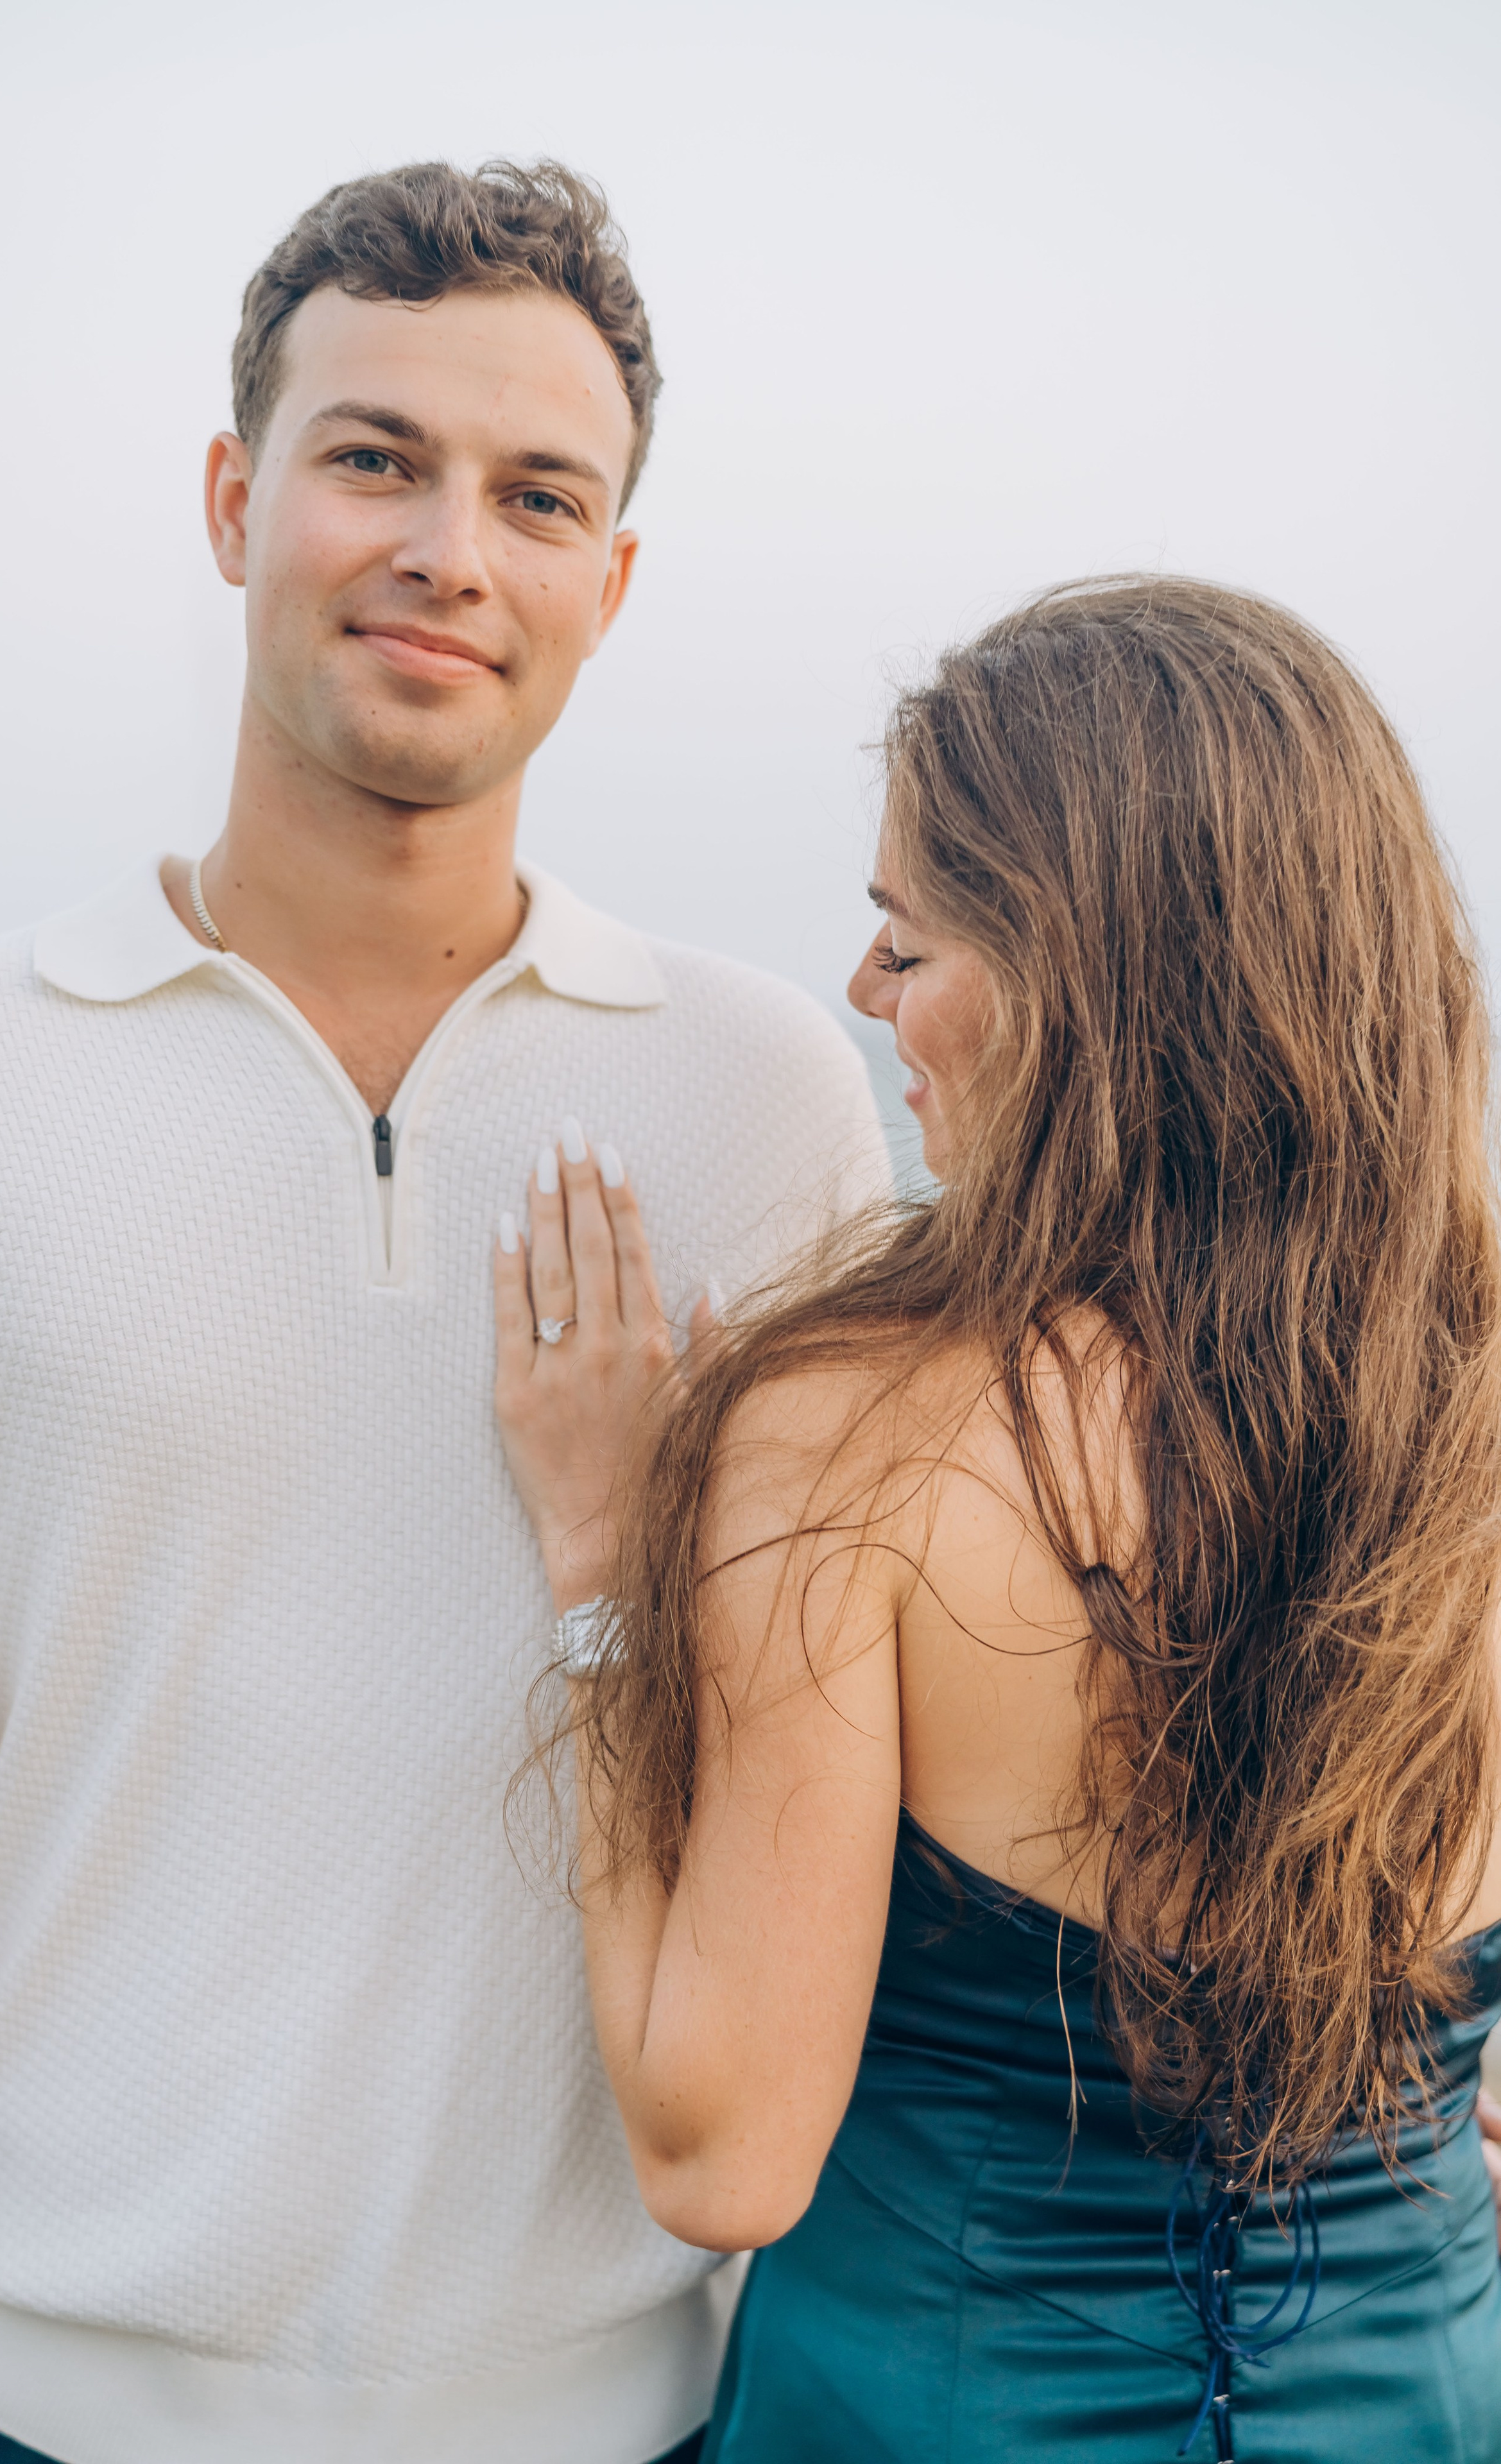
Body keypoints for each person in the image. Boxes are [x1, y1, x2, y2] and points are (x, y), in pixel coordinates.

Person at [0, 161, 886, 2464]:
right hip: (19, 2394)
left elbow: (831, 1805)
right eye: (373, 460)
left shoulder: (769, 1095)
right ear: (235, 502)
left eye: (538, 496)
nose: (451, 552)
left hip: (616, 2414)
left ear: (609, 587)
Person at [494, 575, 1501, 2461]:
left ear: (1087, 980)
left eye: (906, 934)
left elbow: (723, 2157)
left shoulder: (849, 1437)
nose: (869, 994)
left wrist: (598, 1564)